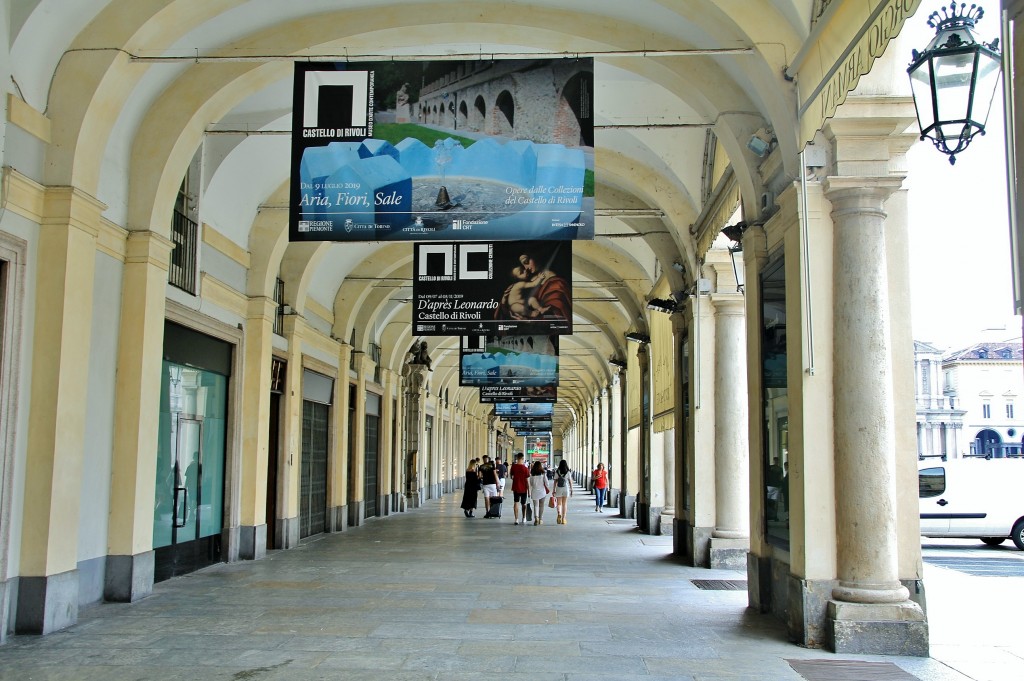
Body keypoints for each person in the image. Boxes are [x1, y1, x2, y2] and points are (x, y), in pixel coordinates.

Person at [508, 453, 531, 525]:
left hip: (516, 487)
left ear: (517, 458)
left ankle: (516, 519)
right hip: (524, 488)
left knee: (516, 503)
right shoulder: (526, 469)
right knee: (524, 504)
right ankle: (524, 518)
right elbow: (527, 481)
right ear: (522, 459)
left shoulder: (513, 467)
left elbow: (511, 476)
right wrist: (529, 491)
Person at [528, 460, 550, 525]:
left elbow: (531, 483)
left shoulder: (532, 474)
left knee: (536, 505)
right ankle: (540, 519)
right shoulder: (543, 473)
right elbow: (547, 483)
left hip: (534, 491)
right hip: (542, 492)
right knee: (541, 505)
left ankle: (536, 518)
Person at [552, 460, 573, 524]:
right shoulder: (568, 472)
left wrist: (553, 490)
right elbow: (570, 481)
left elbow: (555, 481)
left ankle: (559, 513)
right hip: (565, 488)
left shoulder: (557, 471)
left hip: (559, 488)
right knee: (564, 504)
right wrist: (571, 489)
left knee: (559, 503)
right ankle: (564, 519)